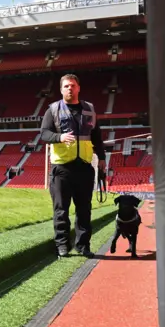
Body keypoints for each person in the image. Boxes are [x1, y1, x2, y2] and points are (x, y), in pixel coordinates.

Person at [40, 73, 106, 258]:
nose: (70, 88)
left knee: (84, 209)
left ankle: (83, 246)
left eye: (73, 85)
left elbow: (97, 137)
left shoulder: (90, 109)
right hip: (62, 168)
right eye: (66, 86)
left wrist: (101, 158)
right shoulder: (53, 110)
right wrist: (59, 137)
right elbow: (44, 134)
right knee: (61, 209)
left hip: (85, 167)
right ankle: (62, 245)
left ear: (78, 88)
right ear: (61, 89)